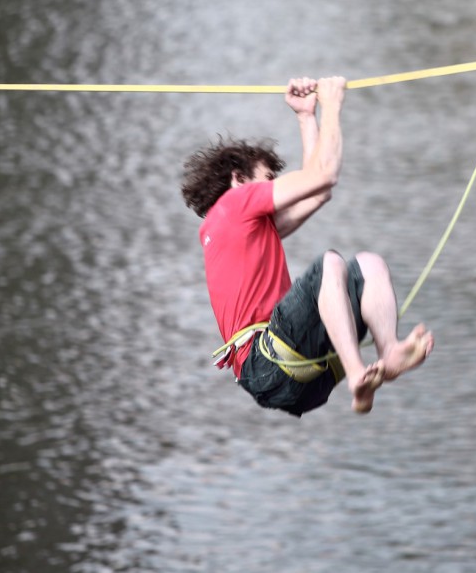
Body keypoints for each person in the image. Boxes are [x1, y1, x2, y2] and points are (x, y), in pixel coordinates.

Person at [181, 75, 433, 416]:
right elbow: (323, 174)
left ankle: (389, 354)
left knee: (369, 265)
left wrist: (305, 115)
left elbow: (319, 190)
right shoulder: (235, 203)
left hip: (299, 379)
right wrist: (332, 105)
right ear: (238, 180)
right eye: (268, 180)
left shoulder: (240, 230)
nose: (274, 189)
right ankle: (358, 373)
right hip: (266, 362)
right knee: (330, 263)